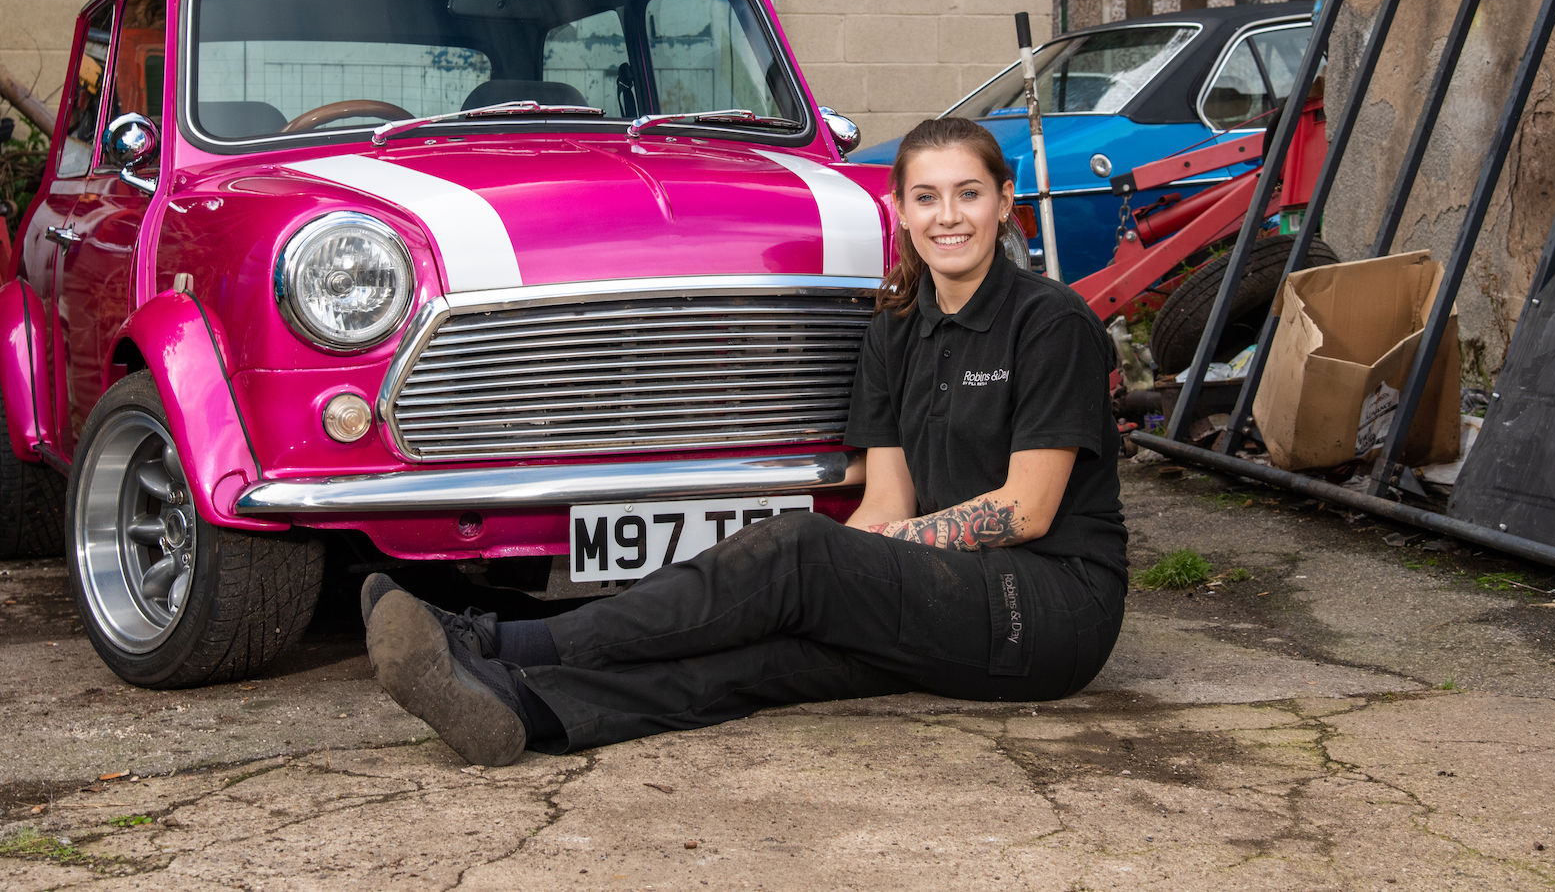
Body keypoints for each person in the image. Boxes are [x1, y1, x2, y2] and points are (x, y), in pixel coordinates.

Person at [359, 115, 1127, 765]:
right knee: (768, 657)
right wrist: (845, 571)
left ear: (1004, 201)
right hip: (944, 595)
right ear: (899, 207)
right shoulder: (895, 329)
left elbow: (1025, 509)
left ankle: (495, 641)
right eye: (926, 196)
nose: (947, 216)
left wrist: (844, 559)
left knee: (799, 550)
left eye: (968, 193)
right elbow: (888, 500)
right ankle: (525, 706)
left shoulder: (1049, 322)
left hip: (1050, 606)